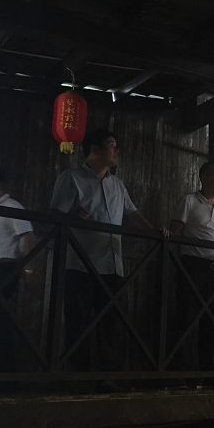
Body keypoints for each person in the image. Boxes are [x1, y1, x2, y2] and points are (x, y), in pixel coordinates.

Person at [50, 129, 164, 374]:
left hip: (112, 265)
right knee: (78, 323)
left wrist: (154, 232)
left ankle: (107, 377)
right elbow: (54, 215)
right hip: (80, 264)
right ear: (94, 149)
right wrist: (70, 217)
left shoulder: (117, 184)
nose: (116, 151)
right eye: (112, 145)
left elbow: (132, 214)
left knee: (111, 323)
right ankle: (77, 379)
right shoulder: (71, 178)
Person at [169, 163, 214, 386]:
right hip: (193, 267)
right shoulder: (189, 200)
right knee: (187, 318)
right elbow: (176, 232)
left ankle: (211, 373)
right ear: (203, 177)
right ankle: (182, 374)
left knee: (213, 321)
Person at [0, 167, 34, 371]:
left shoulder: (12, 206)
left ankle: (7, 369)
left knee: (3, 318)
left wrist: (28, 269)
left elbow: (27, 237)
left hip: (6, 267)